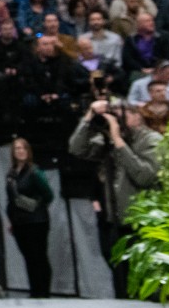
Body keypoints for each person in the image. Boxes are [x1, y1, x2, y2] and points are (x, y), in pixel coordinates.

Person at [68, 98, 160, 294]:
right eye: (112, 117)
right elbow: (76, 148)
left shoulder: (151, 140)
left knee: (142, 283)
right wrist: (89, 117)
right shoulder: (107, 141)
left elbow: (144, 176)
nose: (115, 122)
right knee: (121, 282)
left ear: (137, 117)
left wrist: (119, 142)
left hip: (143, 223)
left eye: (120, 116)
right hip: (115, 221)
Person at [3, 136, 53, 298]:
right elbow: (11, 199)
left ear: (28, 151)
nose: (20, 151)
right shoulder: (11, 174)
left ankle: (43, 292)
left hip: (36, 221)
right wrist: (12, 221)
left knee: (39, 256)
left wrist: (35, 205)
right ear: (13, 152)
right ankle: (34, 291)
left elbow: (49, 195)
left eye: (23, 148)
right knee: (28, 258)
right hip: (19, 222)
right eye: (17, 148)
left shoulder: (34, 171)